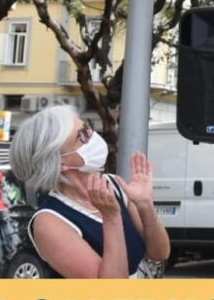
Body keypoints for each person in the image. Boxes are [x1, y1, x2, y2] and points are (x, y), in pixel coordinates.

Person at [9, 105, 170, 278]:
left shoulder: (115, 185)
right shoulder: (49, 222)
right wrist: (111, 218)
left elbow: (160, 253)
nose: (93, 136)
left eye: (87, 127)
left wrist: (145, 205)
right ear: (59, 163)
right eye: (82, 136)